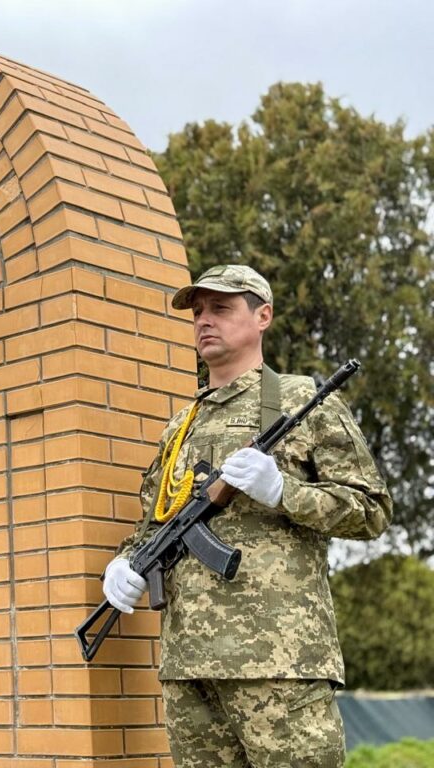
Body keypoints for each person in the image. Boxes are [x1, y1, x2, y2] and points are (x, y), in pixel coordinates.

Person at [103, 265, 392, 767]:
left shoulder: (302, 400)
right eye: (198, 312)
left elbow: (370, 510)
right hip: (188, 666)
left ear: (263, 316)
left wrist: (284, 492)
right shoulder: (181, 423)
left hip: (279, 660)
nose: (204, 321)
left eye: (220, 308)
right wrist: (127, 563)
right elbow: (155, 520)